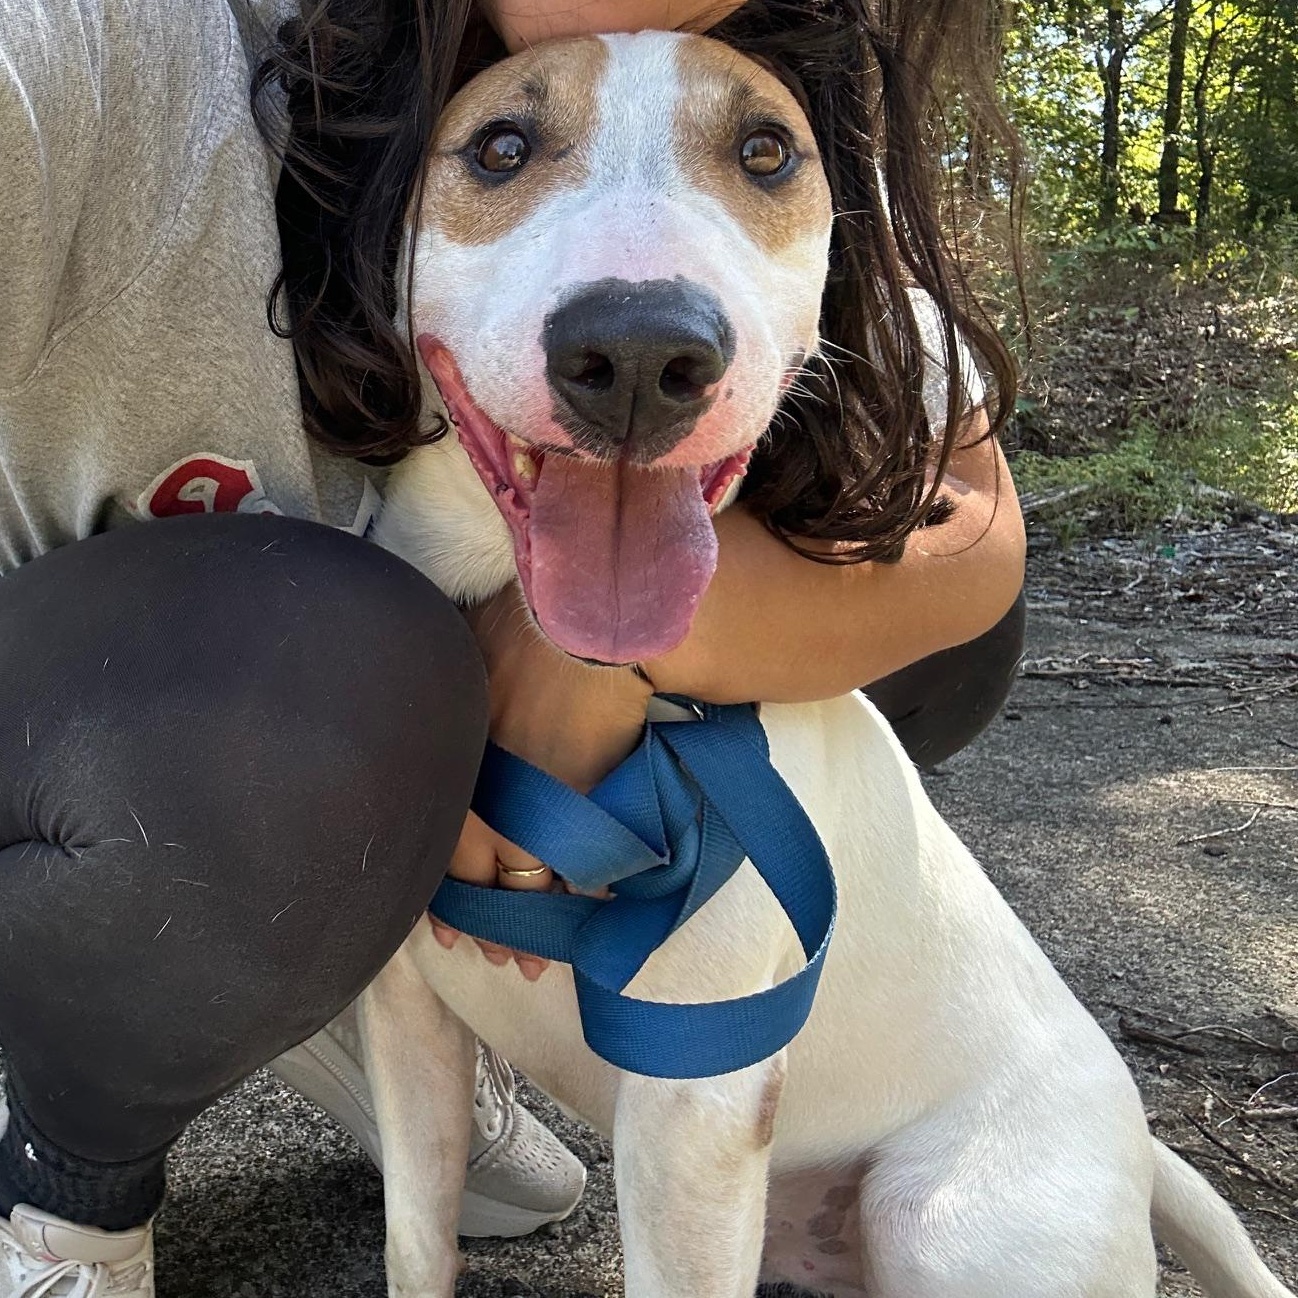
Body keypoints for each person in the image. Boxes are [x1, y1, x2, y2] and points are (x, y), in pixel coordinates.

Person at [0, 2, 1026, 1295]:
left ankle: (315, 935)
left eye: (758, 159)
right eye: (499, 154)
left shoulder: (793, 80)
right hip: (97, 707)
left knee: (921, 611)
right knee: (323, 657)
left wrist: (590, 646)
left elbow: (973, 538)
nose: (641, 341)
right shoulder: (123, 48)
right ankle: (65, 1178)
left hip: (340, 737)